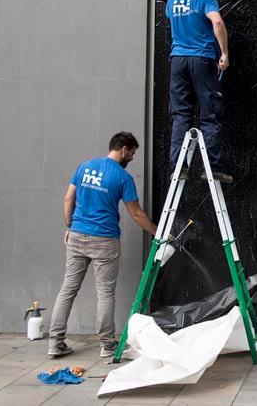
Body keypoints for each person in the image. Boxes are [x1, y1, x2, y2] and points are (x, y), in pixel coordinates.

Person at [48, 132, 158, 358]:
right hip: (105, 240)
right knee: (105, 292)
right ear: (125, 149)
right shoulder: (122, 177)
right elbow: (136, 214)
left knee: (68, 289)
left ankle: (55, 342)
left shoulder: (84, 167)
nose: (133, 158)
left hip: (77, 235)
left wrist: (70, 226)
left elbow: (69, 198)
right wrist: (159, 233)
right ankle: (107, 345)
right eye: (133, 153)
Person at [165, 0, 232, 183]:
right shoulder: (206, 0)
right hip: (201, 59)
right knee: (209, 113)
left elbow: (178, 14)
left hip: (177, 61)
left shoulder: (171, 3)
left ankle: (179, 168)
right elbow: (218, 23)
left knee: (180, 115)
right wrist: (224, 53)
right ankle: (212, 169)